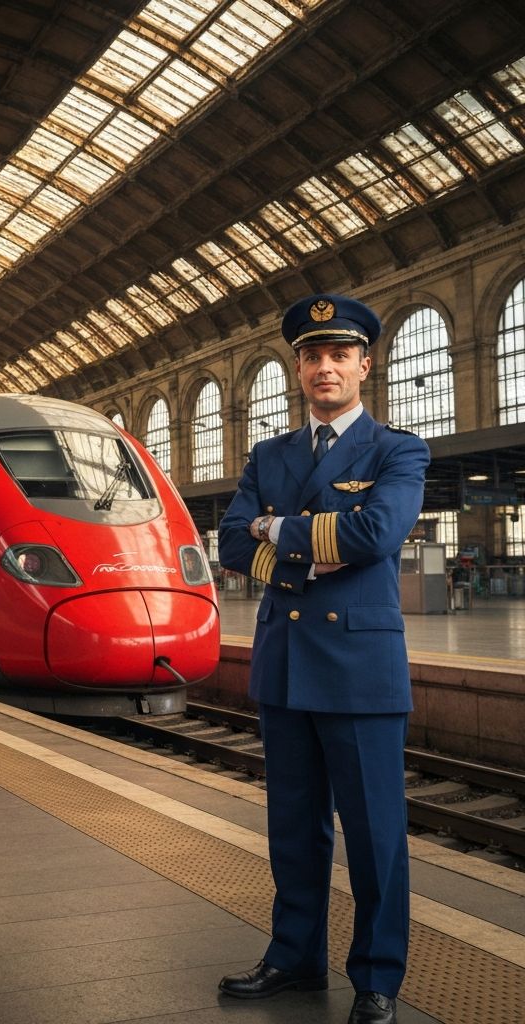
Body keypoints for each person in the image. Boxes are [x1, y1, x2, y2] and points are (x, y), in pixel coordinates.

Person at [216, 294, 430, 1024]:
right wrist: (308, 547)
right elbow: (233, 543)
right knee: (293, 826)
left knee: (375, 835)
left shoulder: (397, 450)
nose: (325, 368)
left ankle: (377, 976)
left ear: (365, 365)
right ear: (298, 368)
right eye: (312, 356)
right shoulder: (269, 454)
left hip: (360, 669)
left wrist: (277, 527)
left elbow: (376, 534)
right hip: (285, 664)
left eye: (340, 355)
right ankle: (294, 956)